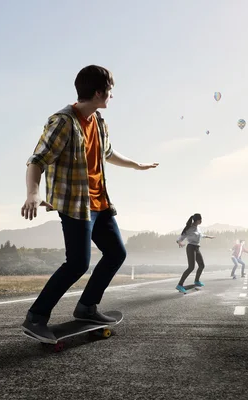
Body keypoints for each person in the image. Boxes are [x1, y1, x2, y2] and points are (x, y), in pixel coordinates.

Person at [20, 65, 159, 343]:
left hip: (100, 203)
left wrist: (136, 165)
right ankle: (36, 318)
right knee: (77, 264)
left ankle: (86, 308)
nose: (112, 96)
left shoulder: (98, 121)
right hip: (75, 205)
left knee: (116, 254)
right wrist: (33, 193)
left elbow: (107, 152)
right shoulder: (63, 122)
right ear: (99, 92)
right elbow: (37, 160)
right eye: (110, 91)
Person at [175, 213, 215, 293]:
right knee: (191, 267)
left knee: (202, 265)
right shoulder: (189, 228)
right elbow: (180, 238)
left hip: (197, 248)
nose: (201, 221)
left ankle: (197, 281)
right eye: (200, 219)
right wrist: (180, 243)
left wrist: (209, 237)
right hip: (191, 248)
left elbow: (201, 235)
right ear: (197, 220)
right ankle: (179, 285)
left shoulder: (198, 228)